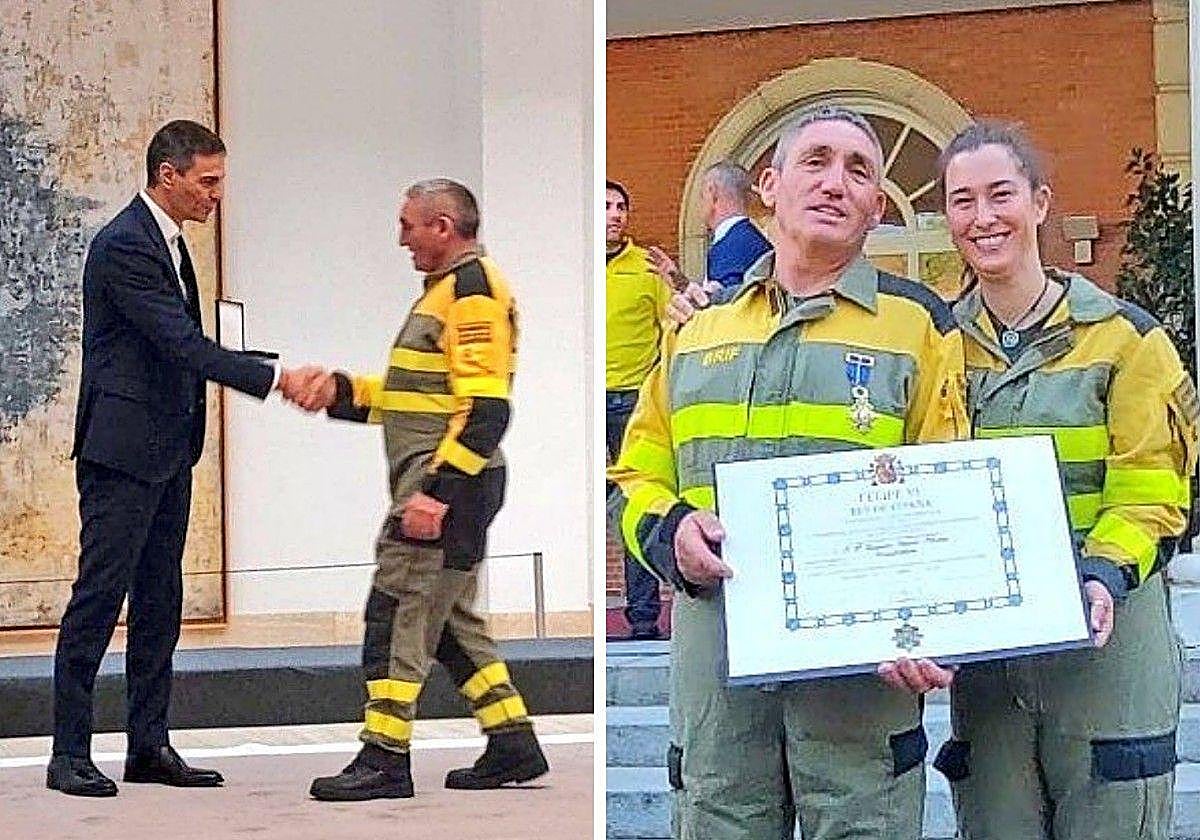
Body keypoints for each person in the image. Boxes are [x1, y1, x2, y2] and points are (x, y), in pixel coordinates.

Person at [608, 105, 966, 839]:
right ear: (769, 187)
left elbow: (948, 491)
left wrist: (930, 624)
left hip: (861, 678)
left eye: (859, 171)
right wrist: (672, 533)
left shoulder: (919, 327)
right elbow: (637, 471)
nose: (836, 182)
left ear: (877, 208)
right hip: (719, 667)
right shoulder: (698, 327)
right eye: (816, 161)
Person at [920, 121, 1195, 839]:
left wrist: (1103, 572)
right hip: (991, 665)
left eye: (1001, 194)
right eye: (962, 201)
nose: (983, 217)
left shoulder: (1127, 341)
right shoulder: (934, 345)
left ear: (1040, 203)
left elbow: (1152, 487)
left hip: (1106, 644)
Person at [49, 119, 323, 797]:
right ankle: (68, 753)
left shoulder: (169, 243)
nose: (217, 195)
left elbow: (179, 347)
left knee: (160, 602)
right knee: (99, 599)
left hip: (167, 452)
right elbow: (180, 344)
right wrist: (274, 378)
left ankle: (148, 746)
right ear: (167, 175)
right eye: (209, 181)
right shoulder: (125, 245)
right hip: (121, 455)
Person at [299, 178, 548, 801]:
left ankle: (384, 756)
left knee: (396, 612)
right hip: (456, 481)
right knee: (445, 621)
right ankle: (512, 740)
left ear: (442, 226)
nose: (401, 239)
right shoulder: (446, 293)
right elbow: (415, 398)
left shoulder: (470, 292)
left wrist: (435, 493)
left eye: (408, 225)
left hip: (444, 482)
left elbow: (486, 411)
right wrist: (339, 392)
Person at [605, 179, 669, 640]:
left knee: (635, 504)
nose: (615, 214)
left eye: (621, 207)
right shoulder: (576, 267)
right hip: (584, 401)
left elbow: (671, 329)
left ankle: (643, 617)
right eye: (606, 206)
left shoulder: (646, 268)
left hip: (632, 401)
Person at [646, 160, 772, 293]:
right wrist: (682, 284)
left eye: (702, 195)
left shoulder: (734, 243)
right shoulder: (745, 237)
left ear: (713, 194)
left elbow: (724, 302)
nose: (700, 204)